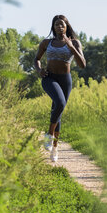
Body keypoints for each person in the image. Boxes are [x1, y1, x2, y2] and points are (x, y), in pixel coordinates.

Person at [34, 15, 86, 162]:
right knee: (60, 104)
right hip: (49, 78)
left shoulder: (75, 42)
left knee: (58, 110)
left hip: (65, 80)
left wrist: (71, 47)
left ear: (66, 26)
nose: (59, 27)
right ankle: (49, 135)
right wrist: (39, 71)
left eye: (62, 25)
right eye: (56, 25)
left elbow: (82, 65)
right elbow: (36, 59)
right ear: (53, 27)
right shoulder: (46, 43)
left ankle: (55, 148)